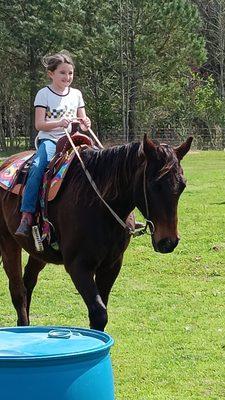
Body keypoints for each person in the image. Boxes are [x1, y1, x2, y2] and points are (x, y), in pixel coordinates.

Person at [15, 50, 91, 237]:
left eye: (70, 73)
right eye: (62, 73)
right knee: (38, 166)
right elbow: (39, 124)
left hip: (74, 139)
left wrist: (86, 122)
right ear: (51, 74)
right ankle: (27, 215)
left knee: (100, 162)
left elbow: (82, 119)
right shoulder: (44, 94)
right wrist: (59, 123)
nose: (67, 77)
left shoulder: (76, 94)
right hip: (50, 140)